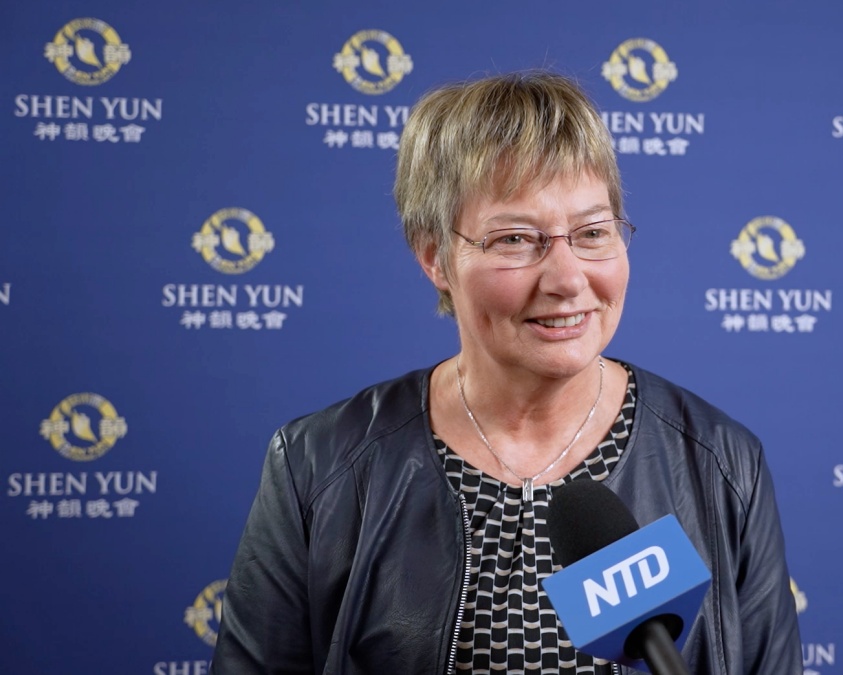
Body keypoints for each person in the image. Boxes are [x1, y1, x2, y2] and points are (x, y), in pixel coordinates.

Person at [212, 71, 803, 674]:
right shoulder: (317, 466)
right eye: (517, 239)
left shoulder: (723, 463)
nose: (568, 279)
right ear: (435, 256)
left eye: (592, 233)